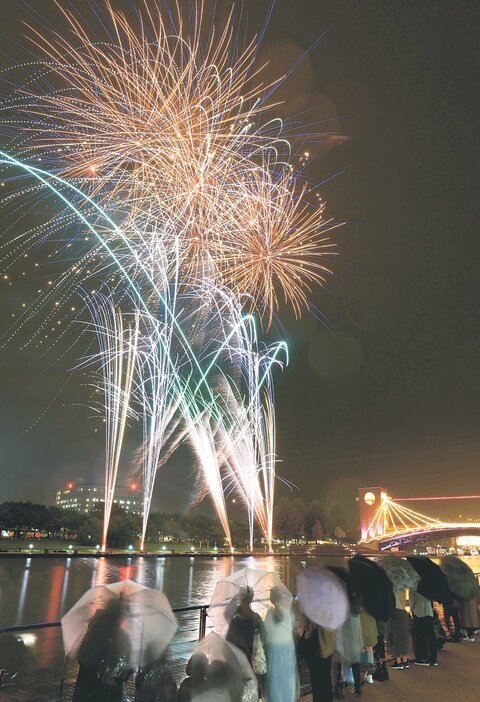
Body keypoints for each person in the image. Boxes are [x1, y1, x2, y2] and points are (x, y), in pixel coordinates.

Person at [73, 599, 132, 702]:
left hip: (86, 678)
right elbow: (124, 662)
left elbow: (83, 655)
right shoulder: (118, 634)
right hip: (105, 684)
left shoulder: (94, 626)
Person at [263, 587, 298, 702]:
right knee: (287, 681)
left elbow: (266, 636)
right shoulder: (289, 612)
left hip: (274, 651)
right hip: (287, 649)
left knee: (275, 682)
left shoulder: (268, 615)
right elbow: (294, 629)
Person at [297, 613, 336, 702]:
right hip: (325, 662)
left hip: (317, 667)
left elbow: (303, 652)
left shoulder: (314, 632)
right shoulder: (328, 628)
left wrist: (305, 634)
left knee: (319, 688)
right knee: (326, 685)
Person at [226, 587, 263, 667]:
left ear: (240, 598)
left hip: (236, 654)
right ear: (251, 599)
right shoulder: (256, 617)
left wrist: (235, 598)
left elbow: (226, 613)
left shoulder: (235, 616)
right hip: (251, 653)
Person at [410, 590, 437, 666]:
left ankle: (422, 657)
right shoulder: (427, 584)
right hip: (429, 612)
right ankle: (433, 658)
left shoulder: (414, 586)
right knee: (430, 635)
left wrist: (411, 610)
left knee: (420, 636)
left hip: (419, 612)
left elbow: (412, 601)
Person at [388, 588, 411, 670]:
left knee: (395, 636)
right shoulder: (403, 586)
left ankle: (398, 661)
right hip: (403, 611)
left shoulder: (392, 586)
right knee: (404, 635)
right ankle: (405, 659)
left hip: (394, 611)